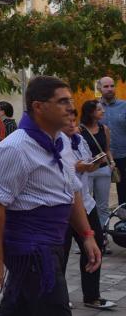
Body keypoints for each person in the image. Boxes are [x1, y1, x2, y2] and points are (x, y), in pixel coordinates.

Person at [0, 76, 102, 315]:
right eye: (62, 101)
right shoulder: (14, 148)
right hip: (30, 249)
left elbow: (71, 191)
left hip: (53, 242)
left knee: (18, 309)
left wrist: (87, 234)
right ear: (39, 106)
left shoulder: (61, 142)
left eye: (70, 100)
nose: (71, 107)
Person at [60, 114, 116, 310]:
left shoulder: (79, 140)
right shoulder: (56, 141)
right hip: (64, 203)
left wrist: (92, 164)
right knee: (61, 252)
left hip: (85, 201)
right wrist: (79, 166)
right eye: (69, 121)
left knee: (94, 245)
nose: (74, 125)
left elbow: (84, 164)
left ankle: (91, 295)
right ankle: (59, 297)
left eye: (75, 121)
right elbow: (62, 169)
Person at [79, 100, 113, 231]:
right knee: (85, 205)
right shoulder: (79, 130)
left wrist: (112, 162)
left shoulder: (104, 129)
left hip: (103, 169)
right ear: (90, 112)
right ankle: (84, 238)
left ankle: (103, 235)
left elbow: (107, 149)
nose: (103, 111)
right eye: (99, 109)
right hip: (87, 171)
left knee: (103, 206)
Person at [97, 76, 126, 207]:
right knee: (98, 195)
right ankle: (99, 224)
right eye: (106, 86)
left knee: (124, 193)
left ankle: (123, 224)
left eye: (112, 86)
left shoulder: (124, 106)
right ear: (99, 89)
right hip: (101, 158)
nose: (109, 89)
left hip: (123, 156)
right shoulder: (94, 108)